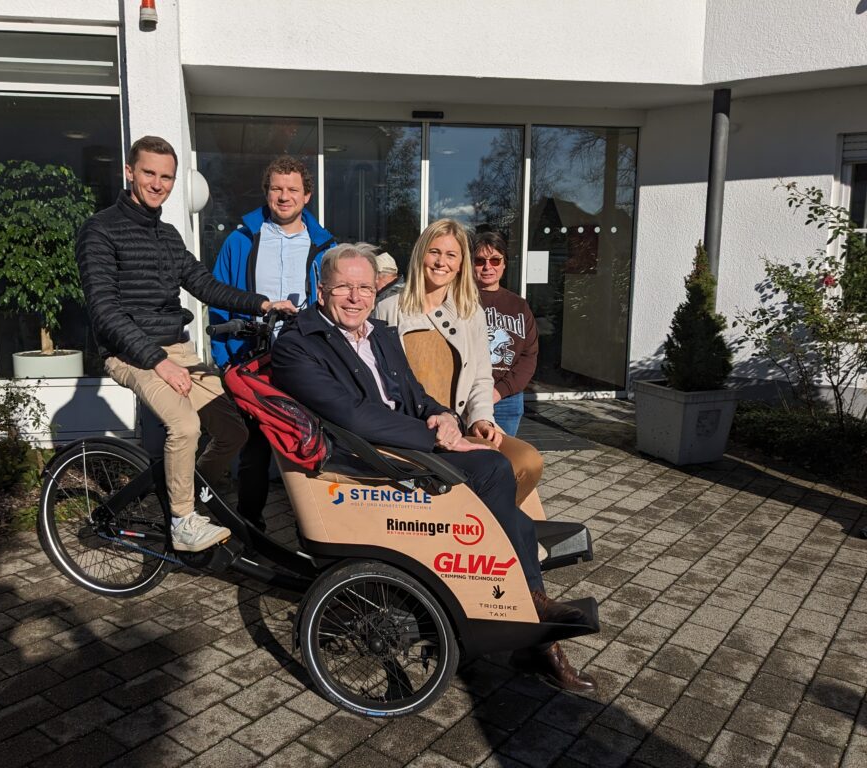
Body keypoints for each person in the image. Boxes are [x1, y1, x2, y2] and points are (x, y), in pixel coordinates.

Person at [271, 243, 596, 692]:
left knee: (499, 482)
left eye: (364, 287)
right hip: (365, 455)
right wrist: (436, 438)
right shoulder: (298, 344)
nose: (356, 297)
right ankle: (532, 616)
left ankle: (526, 609)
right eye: (343, 287)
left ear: (375, 290)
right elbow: (353, 416)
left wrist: (442, 415)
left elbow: (414, 392)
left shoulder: (379, 333)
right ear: (322, 291)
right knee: (491, 470)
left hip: (402, 440)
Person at [76, 135, 294, 553]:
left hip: (177, 349)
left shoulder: (168, 236)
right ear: (129, 172)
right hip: (131, 354)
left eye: (166, 177)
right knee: (185, 425)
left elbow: (205, 285)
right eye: (149, 173)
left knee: (233, 431)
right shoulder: (99, 230)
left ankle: (191, 493)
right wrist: (158, 362)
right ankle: (181, 521)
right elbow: (104, 312)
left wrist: (264, 304)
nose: (158, 184)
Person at [374, 220, 543, 507]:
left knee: (527, 461)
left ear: (460, 263)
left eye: (451, 255)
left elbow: (481, 377)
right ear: (420, 255)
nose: (442, 262)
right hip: (411, 434)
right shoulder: (389, 308)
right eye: (434, 252)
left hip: (460, 428)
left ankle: (493, 524)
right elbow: (379, 379)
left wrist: (481, 418)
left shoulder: (470, 313)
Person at [209, 156, 335, 531]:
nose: (284, 196)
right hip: (250, 360)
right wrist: (224, 359)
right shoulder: (240, 241)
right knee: (254, 449)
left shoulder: (325, 246)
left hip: (305, 360)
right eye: (276, 188)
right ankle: (251, 525)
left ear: (307, 195)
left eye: (292, 189)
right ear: (266, 192)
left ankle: (313, 529)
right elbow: (219, 299)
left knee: (309, 442)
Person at [472, 231, 539, 437]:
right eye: (480, 261)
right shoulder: (460, 301)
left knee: (505, 453)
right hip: (467, 397)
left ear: (504, 264)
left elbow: (529, 356)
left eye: (495, 260)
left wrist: (500, 391)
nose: (487, 267)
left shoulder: (519, 306)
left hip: (507, 400)